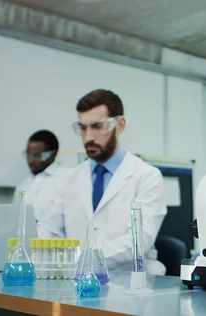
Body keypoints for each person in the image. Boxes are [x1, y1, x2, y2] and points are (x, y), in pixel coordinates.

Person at [45, 89, 168, 275]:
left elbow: (139, 240)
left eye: (97, 126)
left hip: (128, 285)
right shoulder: (68, 178)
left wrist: (85, 259)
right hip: (77, 282)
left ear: (120, 125)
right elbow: (51, 230)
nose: (88, 137)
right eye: (83, 128)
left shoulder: (146, 176)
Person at [13, 130, 67, 238]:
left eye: (37, 156)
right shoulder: (23, 185)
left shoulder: (66, 180)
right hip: (24, 248)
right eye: (28, 155)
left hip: (55, 250)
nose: (31, 161)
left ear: (53, 154)